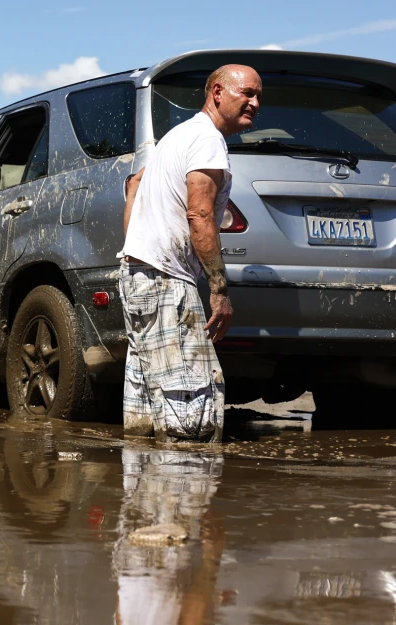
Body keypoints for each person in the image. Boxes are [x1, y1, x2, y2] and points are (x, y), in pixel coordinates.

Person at [118, 64, 262, 442]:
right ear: (217, 92)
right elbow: (199, 214)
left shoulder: (176, 136)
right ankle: (184, 495)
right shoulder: (207, 140)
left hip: (137, 274)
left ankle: (144, 496)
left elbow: (135, 185)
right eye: (246, 93)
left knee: (147, 413)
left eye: (258, 95)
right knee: (190, 421)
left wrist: (140, 252)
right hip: (166, 281)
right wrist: (219, 289)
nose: (255, 102)